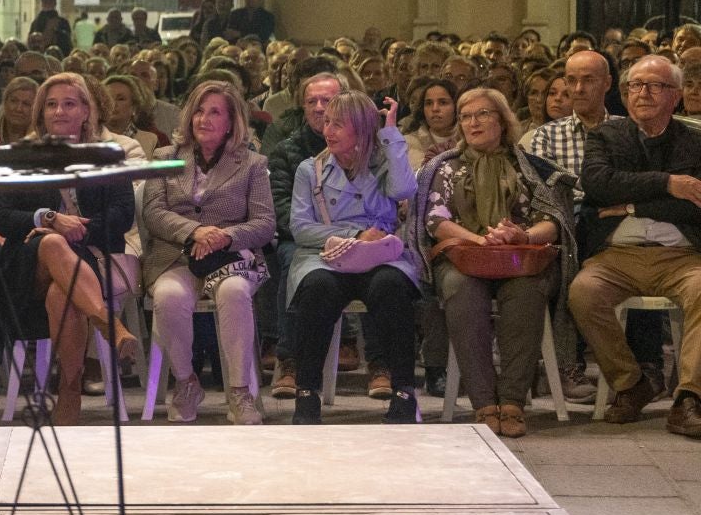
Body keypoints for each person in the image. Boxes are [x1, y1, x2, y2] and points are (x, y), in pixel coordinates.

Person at [409, 87, 574, 438]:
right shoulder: (445, 166)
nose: (473, 122)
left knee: (528, 292)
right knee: (461, 291)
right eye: (467, 116)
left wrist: (522, 236)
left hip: (519, 257)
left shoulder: (527, 166)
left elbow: (553, 220)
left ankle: (512, 401)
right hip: (463, 257)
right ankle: (483, 401)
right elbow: (436, 222)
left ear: (502, 121)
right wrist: (481, 240)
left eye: (483, 114)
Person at [569, 56, 701, 438]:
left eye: (656, 86)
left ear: (677, 96)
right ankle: (631, 383)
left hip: (683, 256)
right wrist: (669, 183)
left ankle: (689, 400)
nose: (643, 94)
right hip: (618, 255)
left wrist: (632, 203)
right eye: (636, 86)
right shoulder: (607, 136)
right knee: (583, 292)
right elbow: (599, 183)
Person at [0, 74, 138, 422]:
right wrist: (51, 218)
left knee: (60, 296)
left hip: (84, 258)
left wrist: (79, 228)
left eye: (69, 104)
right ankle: (108, 324)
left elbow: (123, 214)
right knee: (50, 241)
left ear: (86, 111)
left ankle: (70, 392)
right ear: (41, 112)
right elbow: (2, 215)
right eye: (51, 104)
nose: (59, 111)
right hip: (24, 266)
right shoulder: (22, 156)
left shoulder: (107, 156)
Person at [141, 78, 273, 424]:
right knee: (168, 297)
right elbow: (153, 213)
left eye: (215, 112)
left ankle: (240, 393)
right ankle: (186, 383)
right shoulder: (164, 157)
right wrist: (196, 231)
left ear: (232, 122)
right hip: (175, 257)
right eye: (198, 110)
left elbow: (264, 223)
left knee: (234, 292)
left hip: (228, 260)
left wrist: (223, 237)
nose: (204, 118)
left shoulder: (252, 164)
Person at [287, 91, 423, 424]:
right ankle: (306, 393)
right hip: (327, 254)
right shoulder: (311, 170)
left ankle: (404, 392)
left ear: (362, 130)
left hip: (380, 256)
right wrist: (353, 235)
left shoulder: (382, 163)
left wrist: (390, 134)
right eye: (327, 123)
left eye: (339, 124)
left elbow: (405, 191)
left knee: (390, 286)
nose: (328, 130)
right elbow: (301, 228)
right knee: (317, 287)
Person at [526, 49, 648, 401]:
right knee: (568, 249)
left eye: (587, 80)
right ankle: (568, 365)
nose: (577, 88)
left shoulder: (628, 131)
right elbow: (548, 192)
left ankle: (647, 364)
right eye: (571, 80)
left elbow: (633, 185)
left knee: (643, 250)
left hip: (619, 220)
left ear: (608, 84)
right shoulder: (547, 136)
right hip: (569, 222)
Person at [404, 78, 462, 172]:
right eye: (429, 103)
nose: (435, 109)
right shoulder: (408, 143)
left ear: (456, 106)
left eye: (443, 102)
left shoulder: (468, 142)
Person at [0, 76, 40, 143]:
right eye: (13, 101)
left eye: (26, 104)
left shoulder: (41, 141)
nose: (18, 109)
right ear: (5, 102)